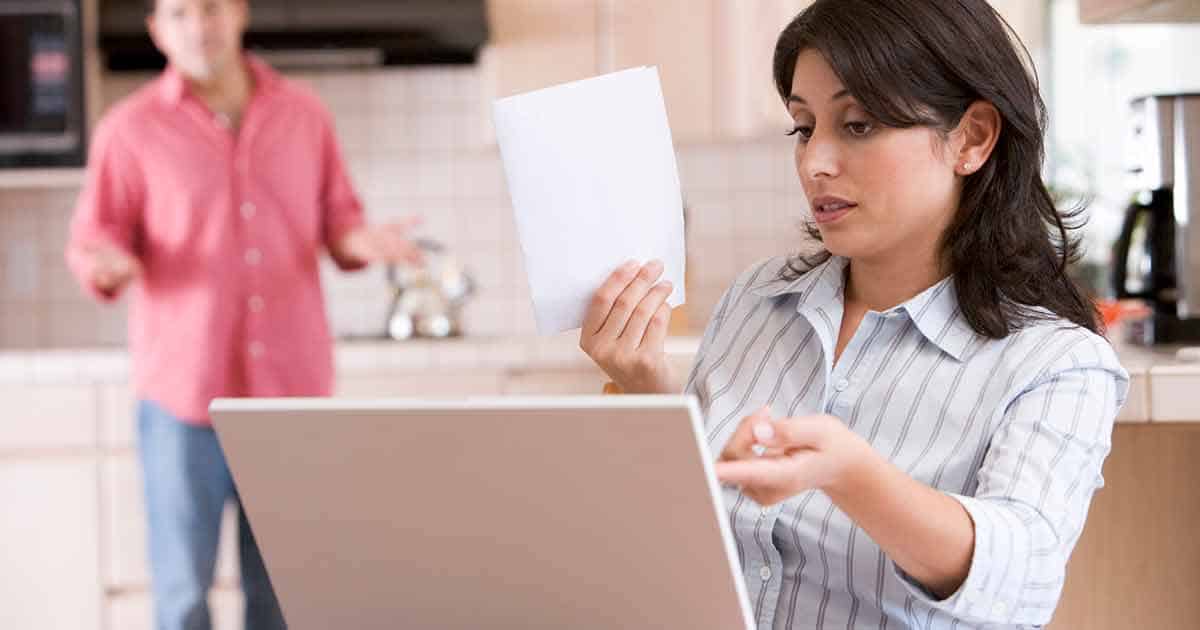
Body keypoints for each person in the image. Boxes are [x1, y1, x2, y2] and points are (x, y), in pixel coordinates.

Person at [579, 1, 1128, 628]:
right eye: (804, 127)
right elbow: (692, 531)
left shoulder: (1057, 363)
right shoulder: (758, 299)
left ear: (971, 138)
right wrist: (648, 386)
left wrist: (852, 475)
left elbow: (1021, 582)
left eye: (859, 124)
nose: (815, 162)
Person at [64, 0, 421, 628]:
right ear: (156, 30)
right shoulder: (130, 129)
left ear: (240, 12)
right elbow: (96, 237)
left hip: (290, 402)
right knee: (181, 603)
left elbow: (339, 219)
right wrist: (105, 264)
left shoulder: (304, 114)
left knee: (282, 600)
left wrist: (359, 242)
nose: (198, 25)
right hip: (181, 401)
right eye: (179, 12)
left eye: (211, 7)